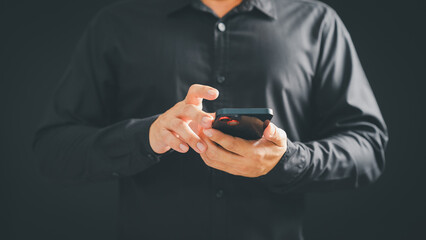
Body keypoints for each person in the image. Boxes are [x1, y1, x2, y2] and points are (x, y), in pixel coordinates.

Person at [33, 0, 389, 239]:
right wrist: (146, 137)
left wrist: (285, 161)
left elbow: (368, 149)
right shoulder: (117, 22)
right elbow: (52, 151)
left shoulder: (317, 23)